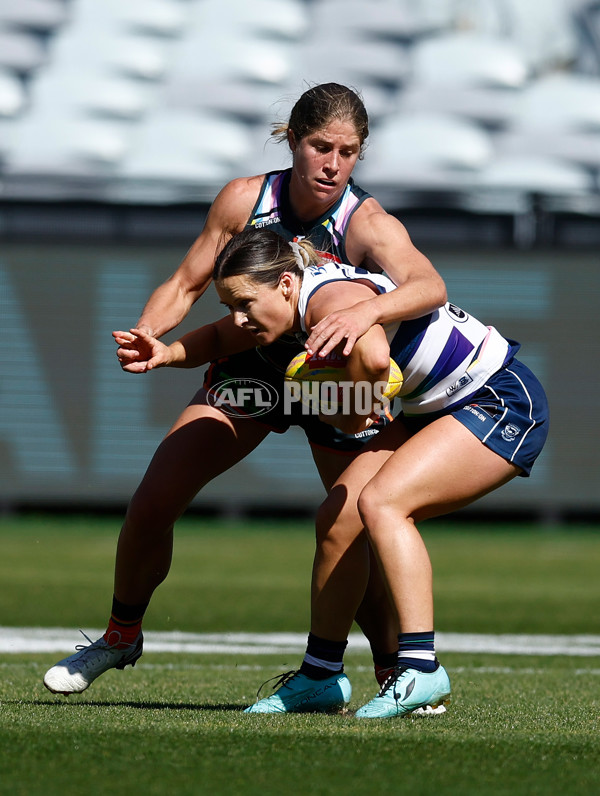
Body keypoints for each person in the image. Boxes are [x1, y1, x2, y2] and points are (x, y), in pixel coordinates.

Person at [43, 83, 447, 696]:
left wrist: (364, 315)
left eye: (349, 151)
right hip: (251, 365)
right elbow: (184, 283)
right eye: (320, 146)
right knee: (154, 499)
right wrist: (151, 334)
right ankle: (121, 635)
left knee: (347, 527)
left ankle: (393, 670)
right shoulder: (244, 200)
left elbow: (428, 285)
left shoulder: (367, 223)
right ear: (293, 139)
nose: (333, 164)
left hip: (329, 381)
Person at [167, 227, 546, 717]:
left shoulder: (329, 301)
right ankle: (321, 675)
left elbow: (371, 357)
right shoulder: (298, 302)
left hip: (496, 399)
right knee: (338, 520)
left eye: (243, 302)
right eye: (228, 305)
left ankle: (421, 668)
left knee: (383, 503)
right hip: (433, 408)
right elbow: (227, 338)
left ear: (285, 285)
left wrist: (348, 394)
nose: (238, 318)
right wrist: (168, 353)